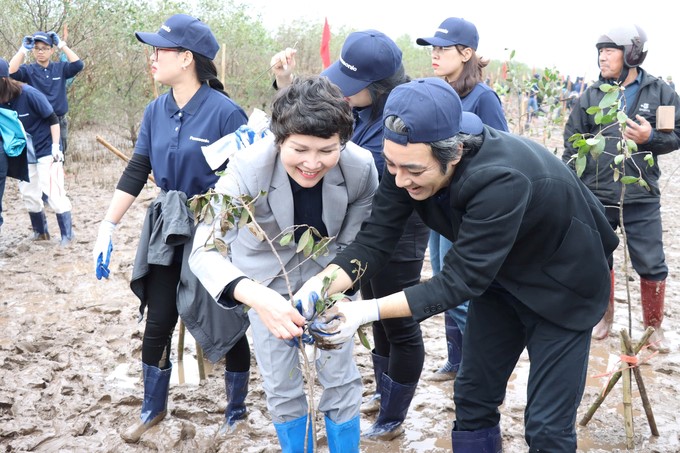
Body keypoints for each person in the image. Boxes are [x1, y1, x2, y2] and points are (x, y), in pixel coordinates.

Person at [287, 77, 619, 452]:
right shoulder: (407, 161)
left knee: (546, 426)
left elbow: (459, 281)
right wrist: (321, 284)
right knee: (473, 398)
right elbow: (375, 240)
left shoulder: (500, 179)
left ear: (455, 153)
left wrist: (365, 312)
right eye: (392, 165)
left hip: (564, 285)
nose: (400, 179)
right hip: (500, 281)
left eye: (413, 170)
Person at [189, 76, 378, 452]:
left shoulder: (361, 169)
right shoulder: (246, 168)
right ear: (279, 140)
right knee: (281, 383)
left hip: (329, 284)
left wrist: (333, 292)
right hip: (265, 285)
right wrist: (258, 298)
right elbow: (204, 250)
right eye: (300, 149)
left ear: (343, 141)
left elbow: (357, 245)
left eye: (326, 150)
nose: (312, 163)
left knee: (341, 377)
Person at [91, 14, 250, 443]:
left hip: (213, 229)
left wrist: (220, 229)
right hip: (166, 228)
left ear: (186, 58)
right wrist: (108, 223)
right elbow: (139, 167)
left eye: (159, 51)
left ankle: (236, 411)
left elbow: (244, 181)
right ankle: (152, 408)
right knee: (158, 320)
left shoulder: (225, 113)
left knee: (223, 320)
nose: (152, 58)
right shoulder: (155, 110)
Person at [270, 30, 430, 440]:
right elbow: (316, 127)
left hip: (398, 233)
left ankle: (393, 416)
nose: (342, 91)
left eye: (350, 86)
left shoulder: (402, 120)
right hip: (363, 233)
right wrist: (286, 85)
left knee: (397, 320)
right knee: (372, 315)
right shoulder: (361, 113)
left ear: (378, 87)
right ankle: (384, 393)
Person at [563, 24, 680, 353]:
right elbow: (571, 143)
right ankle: (603, 318)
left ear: (632, 53)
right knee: (599, 258)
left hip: (641, 196)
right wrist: (574, 185)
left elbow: (677, 135)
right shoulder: (592, 95)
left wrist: (651, 138)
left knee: (652, 263)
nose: (603, 56)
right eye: (600, 50)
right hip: (597, 196)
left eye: (610, 50)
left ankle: (653, 328)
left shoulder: (660, 92)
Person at [416, 16, 508, 382]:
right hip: (443, 206)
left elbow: (502, 151)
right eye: (433, 50)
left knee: (462, 285)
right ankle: (457, 361)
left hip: (470, 208)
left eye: (443, 49)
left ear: (466, 53)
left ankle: (479, 368)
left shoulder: (483, 98)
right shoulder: (442, 93)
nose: (435, 56)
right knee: (442, 278)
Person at [0, 57, 74, 245]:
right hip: (24, 152)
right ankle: (41, 232)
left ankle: (67, 235)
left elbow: (53, 119)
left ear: (3, 79)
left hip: (45, 148)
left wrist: (56, 147)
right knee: (29, 194)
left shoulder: (28, 93)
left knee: (53, 191)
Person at [8, 30, 84, 157]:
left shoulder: (60, 68)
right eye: (37, 48)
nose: (40, 52)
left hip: (59, 121)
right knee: (39, 160)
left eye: (44, 48)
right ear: (33, 51)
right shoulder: (29, 70)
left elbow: (78, 65)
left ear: (51, 50)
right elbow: (10, 71)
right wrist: (22, 49)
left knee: (59, 159)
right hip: (38, 122)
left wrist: (61, 44)